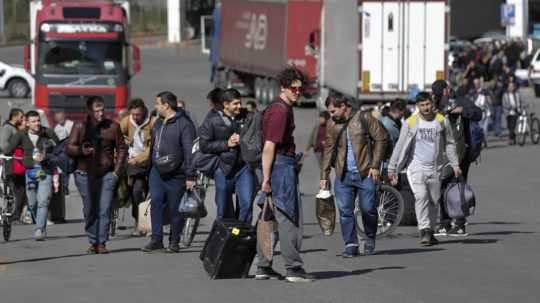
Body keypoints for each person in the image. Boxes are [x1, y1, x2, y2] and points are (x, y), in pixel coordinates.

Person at [256, 68, 314, 283]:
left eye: (301, 88)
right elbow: (269, 146)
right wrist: (266, 179)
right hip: (279, 168)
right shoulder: (280, 111)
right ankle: (293, 268)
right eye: (294, 88)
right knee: (290, 218)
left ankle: (264, 267)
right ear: (283, 87)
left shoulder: (279, 107)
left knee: (267, 219)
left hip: (278, 166)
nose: (298, 92)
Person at [387, 92, 461, 246]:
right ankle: (424, 230)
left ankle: (431, 231)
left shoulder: (441, 121)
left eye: (428, 104)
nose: (426, 108)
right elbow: (399, 146)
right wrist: (392, 167)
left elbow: (450, 143)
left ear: (432, 103)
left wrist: (455, 164)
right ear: (417, 106)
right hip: (416, 168)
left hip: (435, 168)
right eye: (422, 105)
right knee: (421, 196)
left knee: (434, 201)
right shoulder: (411, 122)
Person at [320, 93, 388, 258]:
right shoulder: (331, 124)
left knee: (368, 209)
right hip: (343, 175)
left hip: (365, 173)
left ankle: (370, 237)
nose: (331, 115)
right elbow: (328, 149)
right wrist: (324, 175)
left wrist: (375, 165)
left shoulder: (363, 118)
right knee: (345, 211)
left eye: (333, 111)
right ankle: (351, 244)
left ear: (343, 106)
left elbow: (381, 138)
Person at [67, 96, 128, 254]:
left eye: (102, 110)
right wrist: (82, 150)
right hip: (84, 175)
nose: (100, 114)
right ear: (89, 111)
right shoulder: (80, 126)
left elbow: (122, 148)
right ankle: (93, 241)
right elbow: (70, 147)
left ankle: (101, 243)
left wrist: (117, 172)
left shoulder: (113, 127)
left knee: (104, 209)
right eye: (97, 111)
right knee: (90, 209)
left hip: (107, 175)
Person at [142, 91, 196, 253]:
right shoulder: (158, 123)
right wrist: (149, 168)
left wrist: (190, 175)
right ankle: (156, 239)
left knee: (175, 208)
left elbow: (189, 150)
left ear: (166, 105)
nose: (155, 107)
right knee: (156, 202)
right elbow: (153, 147)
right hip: (157, 172)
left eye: (157, 103)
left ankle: (174, 241)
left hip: (176, 174)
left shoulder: (184, 124)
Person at [431, 80, 482, 236]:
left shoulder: (460, 100)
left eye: (442, 92)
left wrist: (462, 110)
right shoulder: (436, 106)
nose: (442, 95)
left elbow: (478, 113)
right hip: (444, 153)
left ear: (447, 89)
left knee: (457, 187)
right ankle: (445, 223)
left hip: (462, 152)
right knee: (444, 187)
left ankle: (459, 224)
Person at [199, 88, 255, 222]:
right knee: (223, 208)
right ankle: (225, 235)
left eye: (239, 103)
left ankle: (240, 233)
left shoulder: (247, 117)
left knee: (246, 204)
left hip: (244, 167)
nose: (239, 106)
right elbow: (204, 145)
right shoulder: (212, 120)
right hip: (223, 169)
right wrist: (227, 144)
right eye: (235, 104)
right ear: (225, 104)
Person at [14, 111, 59, 240]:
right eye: (33, 121)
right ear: (27, 123)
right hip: (30, 172)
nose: (37, 123)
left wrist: (47, 155)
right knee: (33, 204)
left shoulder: (47, 132)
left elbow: (59, 148)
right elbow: (8, 148)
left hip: (46, 170)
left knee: (43, 202)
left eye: (38, 120)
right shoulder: (21, 135)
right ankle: (38, 221)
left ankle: (40, 230)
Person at [120, 98, 155, 236]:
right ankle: (137, 221)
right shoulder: (127, 121)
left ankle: (147, 223)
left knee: (150, 193)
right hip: (133, 163)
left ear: (144, 111)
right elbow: (118, 135)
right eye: (133, 114)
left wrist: (139, 158)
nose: (135, 117)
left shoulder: (152, 122)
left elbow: (153, 147)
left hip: (148, 160)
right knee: (136, 191)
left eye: (138, 115)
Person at [0, 108, 27, 223]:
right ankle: (13, 215)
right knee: (16, 189)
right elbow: (4, 146)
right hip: (11, 162)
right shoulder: (7, 128)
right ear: (14, 116)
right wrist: (16, 148)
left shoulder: (14, 128)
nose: (22, 119)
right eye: (21, 117)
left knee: (19, 189)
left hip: (17, 162)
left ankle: (16, 214)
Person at [53, 111, 74, 194]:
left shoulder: (71, 124)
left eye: (61, 118)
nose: (59, 120)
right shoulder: (57, 128)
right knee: (64, 170)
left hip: (71, 150)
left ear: (64, 117)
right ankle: (64, 187)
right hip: (63, 152)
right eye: (57, 119)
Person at [503, 81, 524, 145]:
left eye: (512, 87)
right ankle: (513, 138)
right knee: (509, 127)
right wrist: (510, 107)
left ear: (514, 87)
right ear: (508, 88)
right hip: (508, 113)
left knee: (512, 126)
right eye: (510, 87)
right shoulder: (505, 95)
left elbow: (521, 101)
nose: (511, 88)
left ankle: (510, 139)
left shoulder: (517, 94)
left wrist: (521, 107)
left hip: (515, 112)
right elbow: (504, 104)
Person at [471, 77, 491, 146]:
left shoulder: (485, 91)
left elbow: (490, 101)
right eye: (475, 84)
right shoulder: (473, 92)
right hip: (478, 114)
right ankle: (482, 141)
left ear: (480, 83)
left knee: (485, 129)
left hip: (486, 113)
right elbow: (472, 102)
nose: (476, 85)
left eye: (477, 83)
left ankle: (484, 140)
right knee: (480, 129)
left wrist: (487, 99)